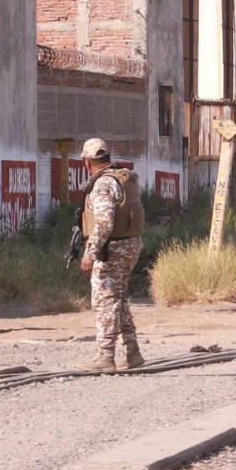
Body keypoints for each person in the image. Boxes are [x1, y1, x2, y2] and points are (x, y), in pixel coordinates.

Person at [77, 138, 145, 374]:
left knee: (104, 299)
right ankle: (132, 351)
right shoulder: (122, 176)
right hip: (130, 245)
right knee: (117, 298)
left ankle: (105, 356)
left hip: (112, 249)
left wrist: (90, 252)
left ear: (87, 162)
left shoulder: (103, 184)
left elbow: (104, 222)